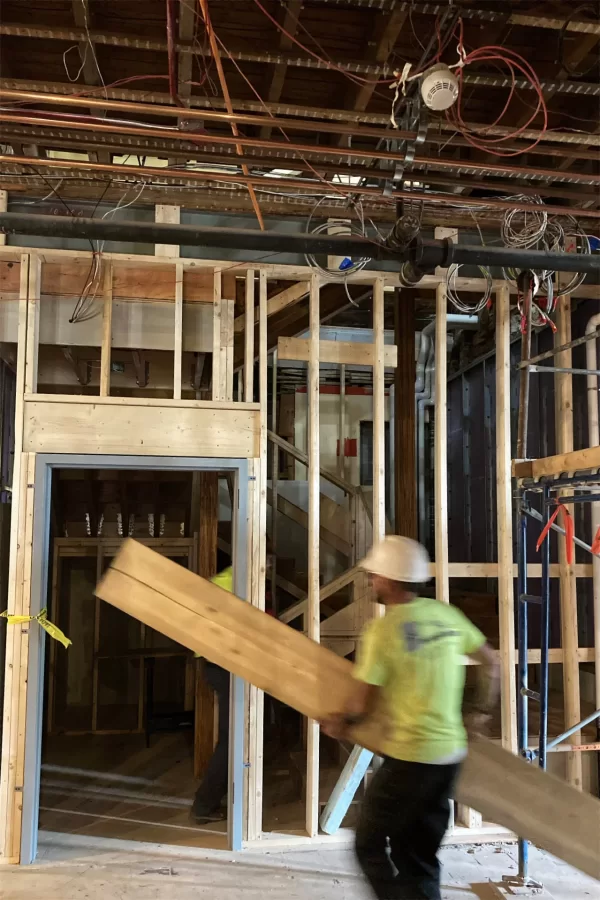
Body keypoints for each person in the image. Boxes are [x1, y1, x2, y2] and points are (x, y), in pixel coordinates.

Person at [322, 535, 498, 900]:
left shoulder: (383, 631)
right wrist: (478, 712)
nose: (371, 582)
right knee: (417, 855)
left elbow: (361, 701)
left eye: (374, 576)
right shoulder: (446, 615)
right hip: (450, 757)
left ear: (388, 579)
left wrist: (341, 723)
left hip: (411, 758)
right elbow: (491, 662)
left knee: (369, 846)